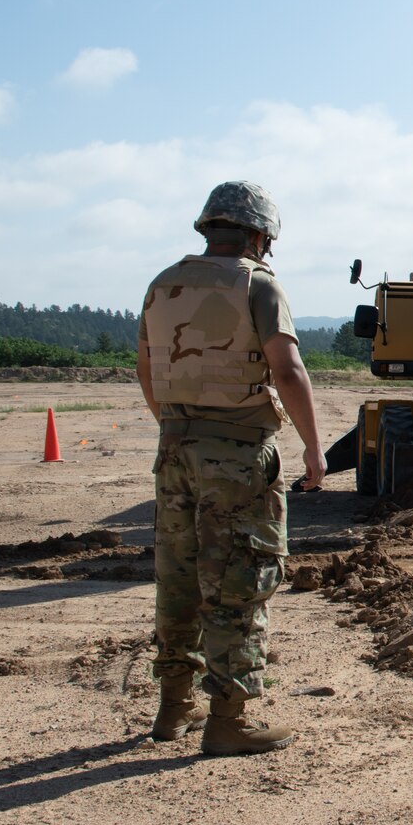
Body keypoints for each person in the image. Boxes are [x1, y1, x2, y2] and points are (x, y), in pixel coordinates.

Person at [136, 180, 323, 756]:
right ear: (260, 235)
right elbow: (286, 371)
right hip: (237, 456)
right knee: (239, 580)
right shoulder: (257, 285)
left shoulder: (163, 284)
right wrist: (315, 451)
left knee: (180, 575)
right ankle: (229, 720)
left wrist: (176, 426)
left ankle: (173, 707)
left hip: (175, 449)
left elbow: (146, 367)